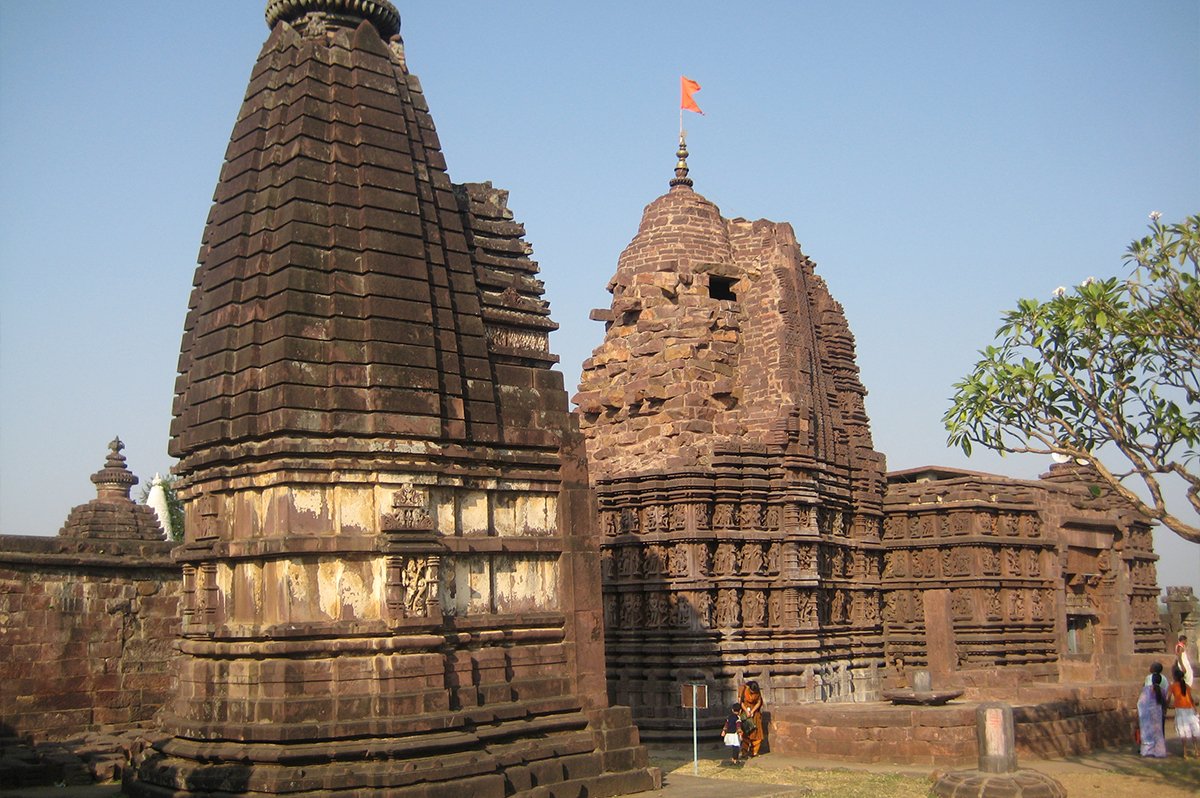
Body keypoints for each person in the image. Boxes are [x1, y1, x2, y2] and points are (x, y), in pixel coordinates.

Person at [1168, 664, 1199, 759]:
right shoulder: (1186, 686)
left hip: (1180, 710)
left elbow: (1168, 698)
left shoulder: (1173, 686)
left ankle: (1185, 753)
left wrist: (1167, 705)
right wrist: (1195, 709)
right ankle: (1196, 751)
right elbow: (1191, 699)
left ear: (1175, 677)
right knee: (1193, 730)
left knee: (1183, 731)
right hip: (1189, 709)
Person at [1138, 662, 1168, 758]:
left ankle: (1148, 749)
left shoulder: (1149, 680)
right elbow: (1166, 693)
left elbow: (1144, 696)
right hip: (1160, 707)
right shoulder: (1164, 679)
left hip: (1149, 708)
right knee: (1159, 730)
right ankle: (1159, 749)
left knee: (1148, 729)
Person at [738, 680, 765, 757]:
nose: (753, 693)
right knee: (745, 732)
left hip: (755, 713)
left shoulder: (757, 692)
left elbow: (759, 702)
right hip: (745, 711)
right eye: (751, 692)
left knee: (757, 732)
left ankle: (754, 752)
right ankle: (744, 751)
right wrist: (747, 711)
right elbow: (740, 702)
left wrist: (753, 711)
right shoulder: (743, 689)